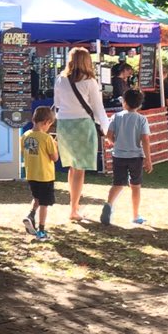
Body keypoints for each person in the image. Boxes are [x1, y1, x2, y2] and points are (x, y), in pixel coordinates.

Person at [53, 46, 110, 221]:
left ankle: (75, 206)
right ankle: (73, 209)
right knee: (79, 170)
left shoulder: (60, 80)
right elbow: (98, 109)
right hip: (83, 125)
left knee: (72, 167)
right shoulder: (90, 82)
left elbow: (57, 103)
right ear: (87, 61)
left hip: (64, 125)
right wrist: (107, 131)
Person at [101, 88, 153, 225]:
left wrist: (115, 143)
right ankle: (135, 215)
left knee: (117, 183)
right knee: (135, 186)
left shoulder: (116, 117)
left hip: (118, 155)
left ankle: (108, 205)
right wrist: (148, 159)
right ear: (140, 105)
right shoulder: (142, 119)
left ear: (124, 102)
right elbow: (145, 139)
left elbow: (109, 136)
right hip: (136, 156)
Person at [21, 106, 59, 240]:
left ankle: (30, 216)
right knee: (44, 203)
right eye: (50, 124)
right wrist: (55, 146)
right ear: (46, 122)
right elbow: (54, 158)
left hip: (31, 175)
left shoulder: (25, 136)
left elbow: (27, 152)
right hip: (45, 176)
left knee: (37, 198)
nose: (50, 127)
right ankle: (41, 231)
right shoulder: (47, 138)